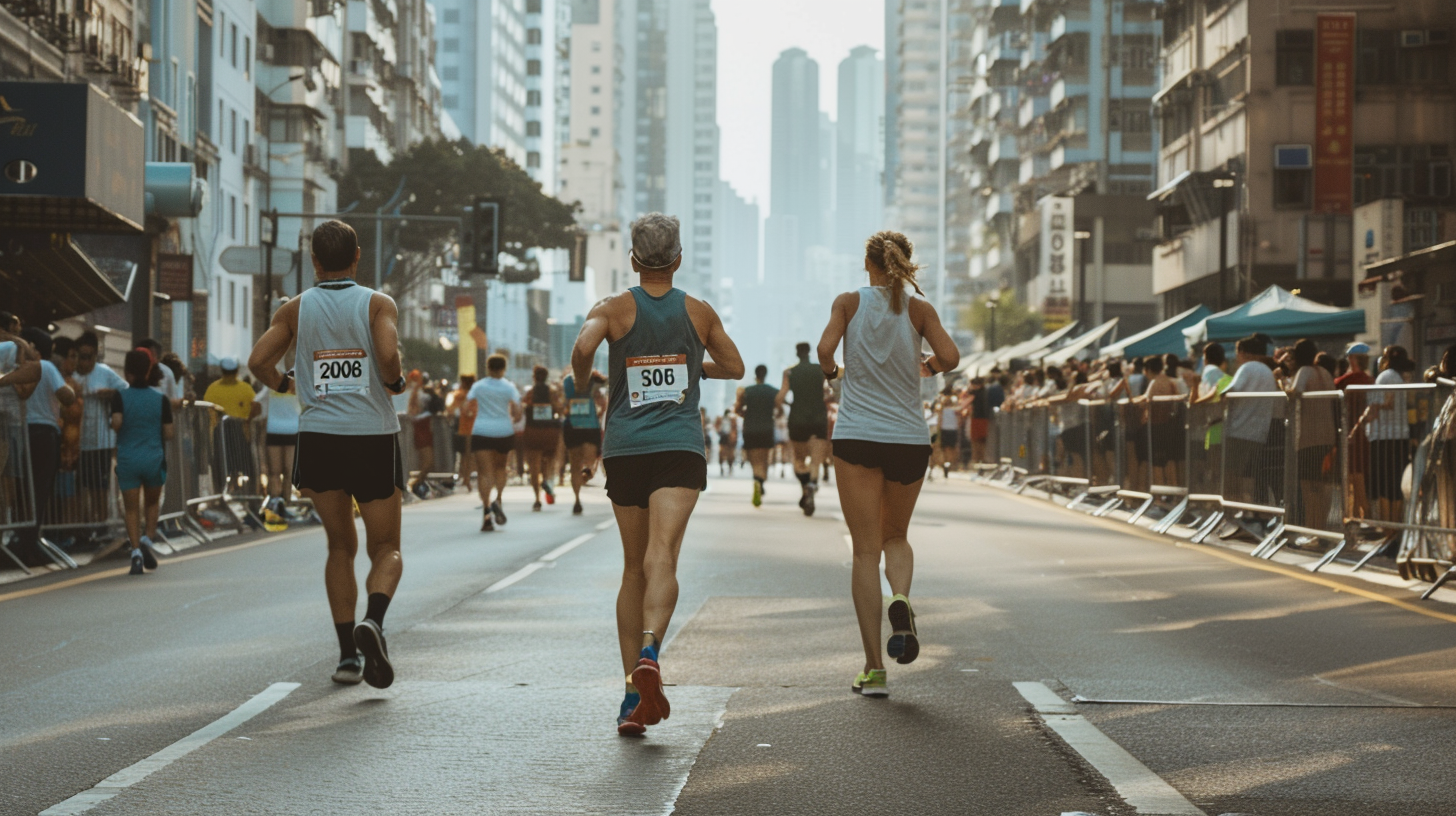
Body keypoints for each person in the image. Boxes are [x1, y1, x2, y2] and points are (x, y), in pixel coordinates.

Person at [570, 212, 744, 736]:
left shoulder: (613, 308)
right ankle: (651, 647)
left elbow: (582, 347)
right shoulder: (698, 311)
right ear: (679, 259)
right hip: (679, 448)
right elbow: (734, 367)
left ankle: (629, 695)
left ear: (632, 259)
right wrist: (693, 366)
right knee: (662, 555)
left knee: (632, 568)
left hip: (625, 449)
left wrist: (584, 383)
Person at [248, 219, 409, 689]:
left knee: (340, 546)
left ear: (314, 260)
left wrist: (285, 383)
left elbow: (258, 362)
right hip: (372, 435)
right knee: (387, 548)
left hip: (318, 437)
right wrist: (394, 381)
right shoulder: (377, 303)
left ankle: (346, 658)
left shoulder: (295, 309)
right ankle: (373, 623)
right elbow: (387, 354)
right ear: (357, 256)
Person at [817, 230, 959, 699]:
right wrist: (929, 368)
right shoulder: (919, 310)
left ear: (867, 263)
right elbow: (951, 356)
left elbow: (823, 351)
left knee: (864, 550)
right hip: (907, 439)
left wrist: (837, 374)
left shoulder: (847, 302)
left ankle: (874, 668)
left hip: (857, 434)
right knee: (896, 535)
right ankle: (901, 598)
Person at [110, 350, 173, 575]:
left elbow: (117, 422)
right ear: (148, 370)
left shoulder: (120, 396)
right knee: (152, 503)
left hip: (128, 459)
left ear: (127, 372)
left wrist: (114, 421)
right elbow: (168, 433)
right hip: (153, 459)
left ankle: (135, 553)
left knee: (131, 509)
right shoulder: (160, 399)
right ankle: (148, 539)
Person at [18, 328, 77, 564]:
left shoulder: (18, 368)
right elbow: (65, 395)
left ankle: (24, 542)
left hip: (23, 434)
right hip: (45, 434)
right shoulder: (47, 368)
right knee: (40, 491)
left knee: (25, 491)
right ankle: (28, 544)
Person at [1354, 345, 1416, 552]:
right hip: (1399, 435)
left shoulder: (1384, 377)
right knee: (1395, 486)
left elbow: (1384, 403)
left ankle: (1389, 533)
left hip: (1383, 437)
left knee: (1383, 487)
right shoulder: (1398, 377)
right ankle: (1394, 533)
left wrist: (1362, 421)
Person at [775, 342, 832, 515]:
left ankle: (805, 486)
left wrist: (787, 404)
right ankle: (813, 484)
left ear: (797, 353)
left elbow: (779, 398)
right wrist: (824, 399)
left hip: (797, 418)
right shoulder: (820, 370)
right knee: (816, 459)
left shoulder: (789, 372)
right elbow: (830, 391)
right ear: (809, 352)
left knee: (799, 459)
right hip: (818, 418)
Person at [467, 354, 522, 530]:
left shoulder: (478, 386)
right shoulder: (509, 387)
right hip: (503, 431)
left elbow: (466, 407)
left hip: (482, 431)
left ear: (488, 368)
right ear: (504, 368)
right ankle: (498, 498)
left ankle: (486, 512)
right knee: (500, 468)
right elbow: (518, 411)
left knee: (484, 473)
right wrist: (510, 420)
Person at [1286, 338, 1336, 532]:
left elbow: (1294, 392)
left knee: (1309, 488)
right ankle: (1321, 529)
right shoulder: (1324, 371)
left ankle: (1312, 530)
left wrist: (1282, 383)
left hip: (1308, 436)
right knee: (1321, 486)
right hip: (1328, 435)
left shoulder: (1304, 371)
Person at [254, 374, 301, 527]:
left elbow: (256, 402)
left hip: (279, 430)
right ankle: (281, 504)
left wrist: (251, 418)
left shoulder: (273, 385)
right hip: (286, 430)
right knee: (285, 472)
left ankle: (279, 504)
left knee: (279, 472)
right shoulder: (295, 385)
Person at [519, 365, 564, 511]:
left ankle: (537, 499)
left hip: (532, 431)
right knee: (550, 460)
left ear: (534, 377)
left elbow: (523, 407)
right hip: (549, 431)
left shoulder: (530, 393)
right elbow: (558, 409)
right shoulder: (552, 392)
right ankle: (546, 480)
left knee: (533, 465)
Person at [562, 368, 606, 515]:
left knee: (574, 466)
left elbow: (564, 403)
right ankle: (586, 476)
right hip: (590, 426)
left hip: (572, 426)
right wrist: (598, 414)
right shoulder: (593, 380)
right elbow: (602, 401)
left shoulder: (567, 381)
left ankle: (577, 499)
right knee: (590, 462)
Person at [735, 364, 778, 507]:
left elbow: (737, 409)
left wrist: (744, 414)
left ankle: (756, 479)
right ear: (765, 374)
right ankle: (761, 480)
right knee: (764, 458)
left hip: (750, 429)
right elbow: (780, 409)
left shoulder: (747, 391)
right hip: (766, 428)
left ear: (755, 374)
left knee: (754, 459)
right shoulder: (772, 391)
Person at [446, 375, 478, 492]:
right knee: (470, 455)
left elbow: (450, 408)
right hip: (474, 427)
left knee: (464, 455)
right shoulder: (475, 395)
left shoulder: (459, 394)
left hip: (463, 427)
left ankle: (465, 478)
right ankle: (467, 479)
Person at [714, 409, 738, 475]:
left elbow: (735, 430)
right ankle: (722, 467)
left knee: (730, 454)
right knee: (722, 453)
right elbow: (716, 427)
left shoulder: (733, 420)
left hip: (730, 439)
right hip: (723, 437)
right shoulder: (721, 419)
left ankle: (730, 467)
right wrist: (719, 432)